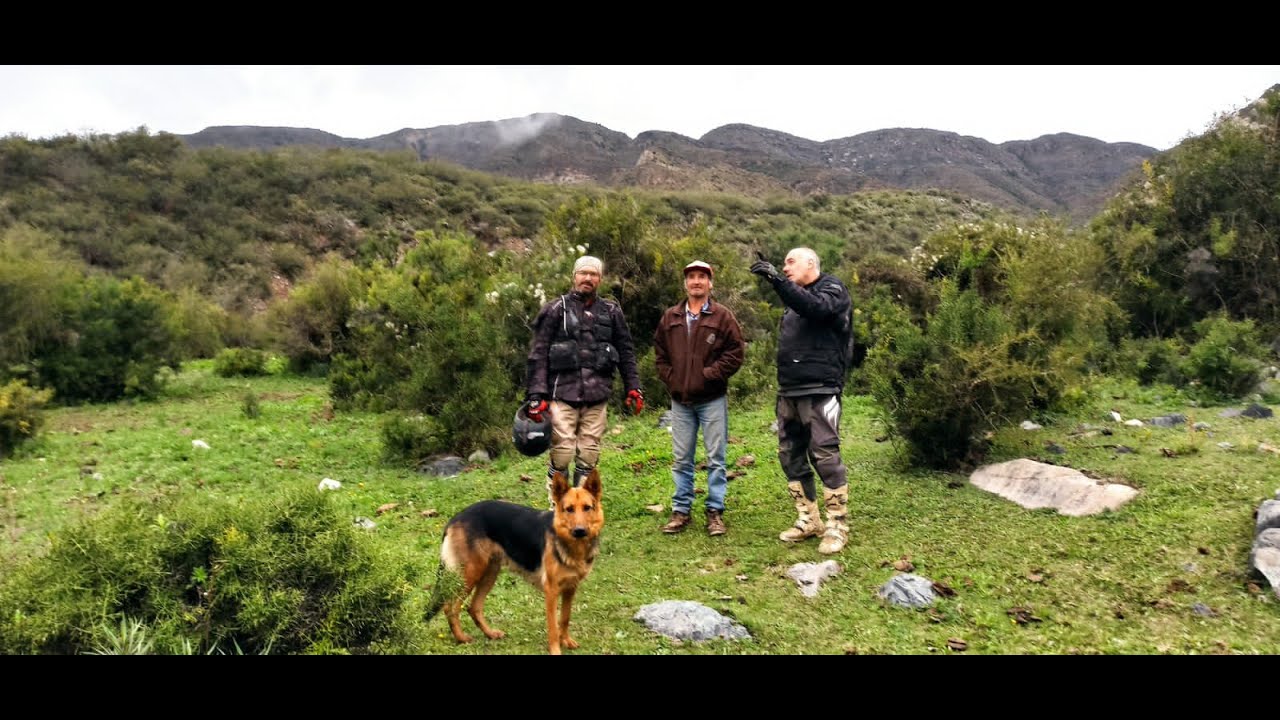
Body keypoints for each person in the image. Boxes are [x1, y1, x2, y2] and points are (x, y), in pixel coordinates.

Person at [750, 247, 854, 554]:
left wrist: (777, 281)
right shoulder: (793, 298)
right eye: (783, 264)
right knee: (789, 455)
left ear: (811, 263)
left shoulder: (832, 288)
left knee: (825, 454)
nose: (785, 267)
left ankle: (837, 525)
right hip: (789, 390)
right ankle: (809, 519)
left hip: (821, 388)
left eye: (790, 262)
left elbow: (816, 308)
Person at [526, 255, 643, 507]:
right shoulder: (555, 309)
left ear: (600, 279)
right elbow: (538, 353)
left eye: (593, 274)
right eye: (583, 273)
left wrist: (633, 387)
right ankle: (558, 507)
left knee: (589, 453)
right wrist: (536, 396)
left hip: (597, 395)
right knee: (562, 452)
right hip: (561, 394)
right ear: (574, 276)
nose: (588, 278)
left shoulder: (611, 311)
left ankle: (582, 508)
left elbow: (626, 351)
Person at [653, 260, 745, 536]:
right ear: (685, 283)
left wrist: (709, 375)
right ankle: (681, 511)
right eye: (691, 277)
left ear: (710, 283)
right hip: (680, 402)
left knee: (716, 457)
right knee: (682, 458)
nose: (696, 281)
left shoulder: (722, 316)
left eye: (702, 277)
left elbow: (735, 352)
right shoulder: (671, 317)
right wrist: (672, 379)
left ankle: (715, 511)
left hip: (712, 399)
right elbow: (660, 354)